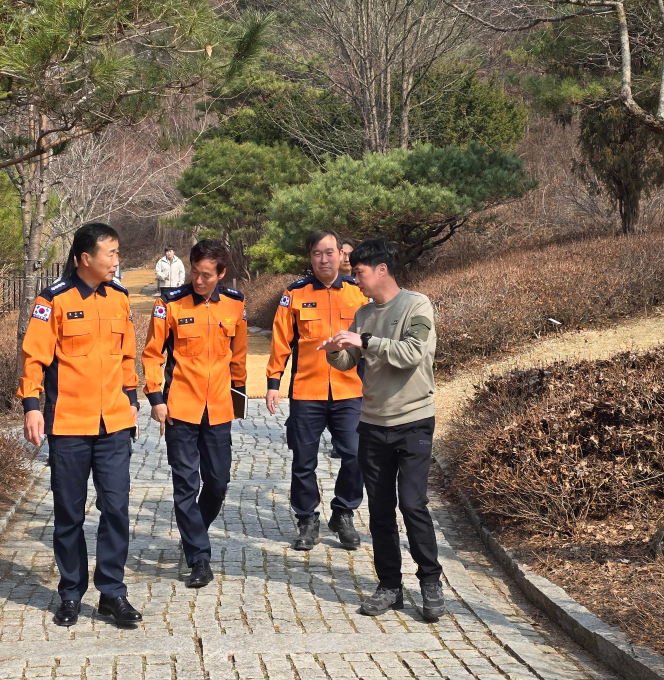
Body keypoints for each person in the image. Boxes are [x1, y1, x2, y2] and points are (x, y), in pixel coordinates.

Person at [17, 223, 143, 629]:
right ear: (85, 258)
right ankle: (71, 592)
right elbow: (33, 357)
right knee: (69, 513)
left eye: (117, 252)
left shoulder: (120, 298)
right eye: (111, 253)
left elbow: (128, 356)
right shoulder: (52, 299)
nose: (116, 260)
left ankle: (112, 592)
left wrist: (133, 399)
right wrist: (32, 407)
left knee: (116, 508)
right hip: (69, 424)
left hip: (114, 425)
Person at [320, 238, 446, 623]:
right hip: (372, 424)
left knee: (412, 503)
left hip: (413, 423)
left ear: (381, 270)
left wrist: (365, 340)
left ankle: (429, 580)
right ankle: (389, 585)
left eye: (358, 272)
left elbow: (413, 353)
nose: (355, 280)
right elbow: (350, 360)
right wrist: (334, 350)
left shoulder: (416, 305)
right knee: (379, 511)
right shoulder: (362, 314)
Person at [142, 239, 248, 588]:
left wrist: (239, 394)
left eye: (206, 275)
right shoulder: (169, 304)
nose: (198, 280)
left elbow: (239, 355)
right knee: (186, 484)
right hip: (180, 408)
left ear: (221, 274)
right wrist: (156, 396)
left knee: (217, 483)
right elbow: (153, 353)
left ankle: (193, 532)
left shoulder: (235, 305)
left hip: (218, 409)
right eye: (194, 272)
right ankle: (199, 556)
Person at [266, 230, 369, 551]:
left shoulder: (358, 292)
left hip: (350, 390)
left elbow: (375, 338)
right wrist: (273, 383)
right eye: (316, 254)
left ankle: (343, 511)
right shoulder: (294, 294)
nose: (323, 259)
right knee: (304, 460)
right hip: (306, 391)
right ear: (309, 258)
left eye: (329, 252)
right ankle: (307, 519)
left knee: (356, 454)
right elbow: (281, 340)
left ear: (341, 254)